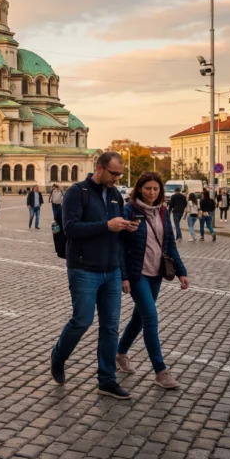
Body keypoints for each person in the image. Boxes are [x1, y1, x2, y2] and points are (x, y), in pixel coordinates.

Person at [51, 151, 137, 400]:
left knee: (110, 328)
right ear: (99, 168)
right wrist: (106, 226)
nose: (116, 179)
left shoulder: (114, 196)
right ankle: (58, 356)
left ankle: (106, 380)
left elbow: (118, 240)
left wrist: (126, 230)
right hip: (83, 269)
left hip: (111, 271)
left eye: (119, 174)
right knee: (82, 321)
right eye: (113, 173)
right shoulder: (77, 192)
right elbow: (71, 228)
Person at [117, 172, 189, 389]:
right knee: (150, 317)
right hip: (137, 274)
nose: (152, 192)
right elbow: (119, 245)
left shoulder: (163, 211)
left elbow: (169, 244)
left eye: (155, 189)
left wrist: (181, 272)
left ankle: (120, 353)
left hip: (156, 273)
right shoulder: (129, 210)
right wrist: (124, 276)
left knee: (139, 318)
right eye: (147, 188)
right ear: (139, 189)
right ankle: (160, 371)